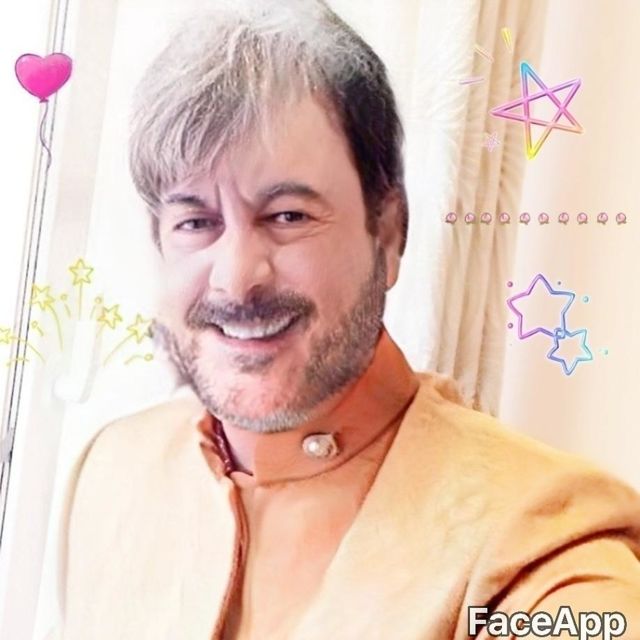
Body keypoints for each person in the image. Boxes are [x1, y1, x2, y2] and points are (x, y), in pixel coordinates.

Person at [52, 1, 640, 638]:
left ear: (388, 233)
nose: (237, 277)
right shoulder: (109, 472)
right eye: (196, 221)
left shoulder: (540, 550)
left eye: (288, 215)